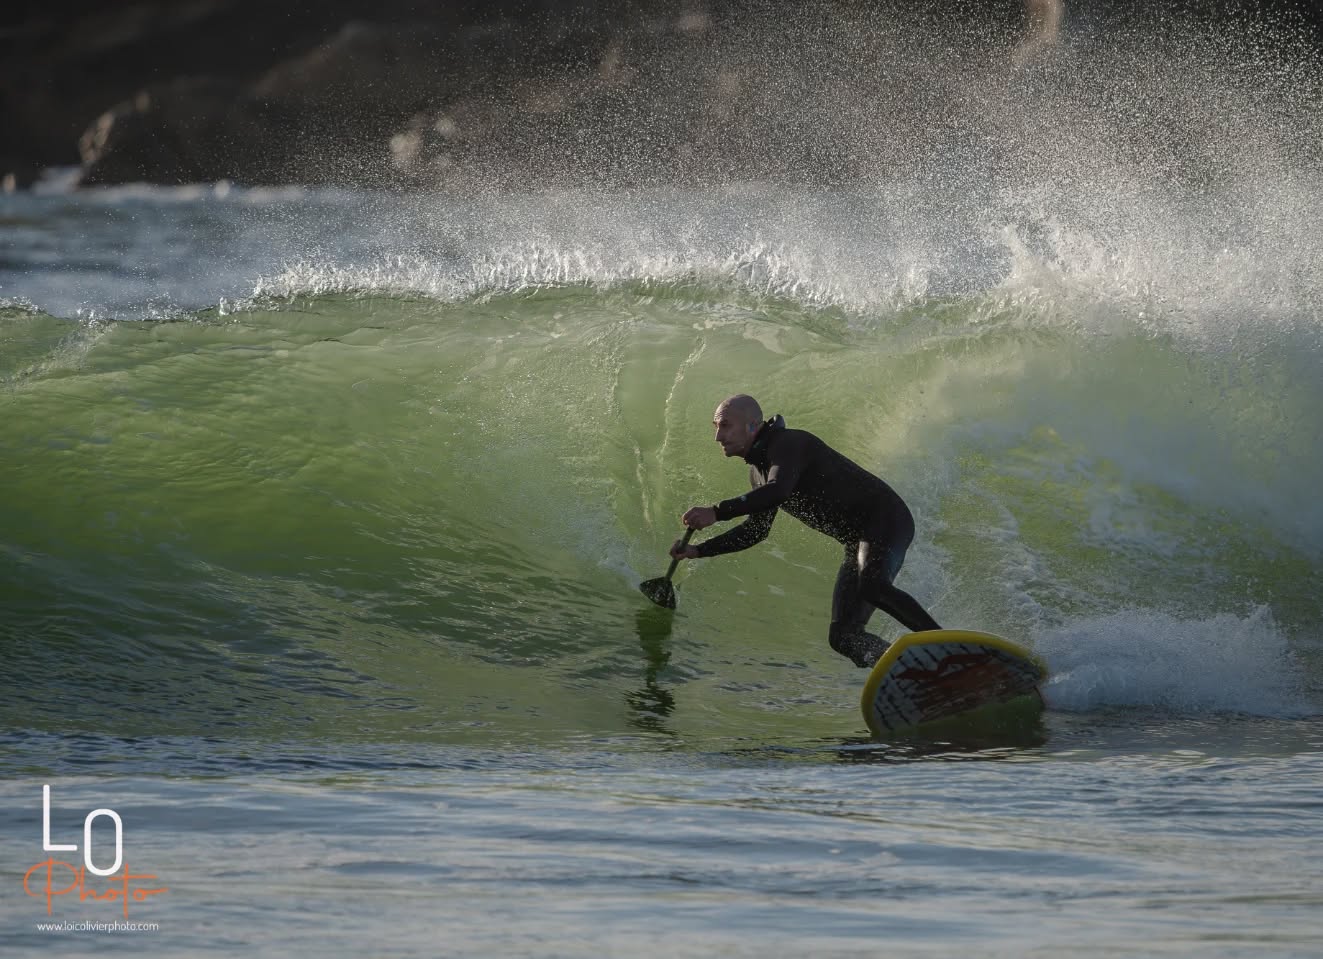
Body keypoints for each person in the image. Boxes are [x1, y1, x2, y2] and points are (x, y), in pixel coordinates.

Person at [670, 394, 941, 668]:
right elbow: (756, 530)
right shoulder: (758, 472)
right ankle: (911, 669)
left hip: (885, 518)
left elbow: (778, 491)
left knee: (872, 586)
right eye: (716, 426)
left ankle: (944, 647)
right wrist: (698, 550)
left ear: (753, 425)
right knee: (843, 636)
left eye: (725, 425)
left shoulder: (788, 444)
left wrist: (716, 511)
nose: (718, 436)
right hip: (855, 539)